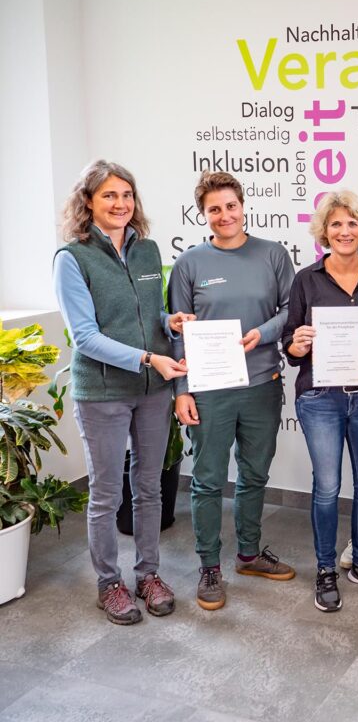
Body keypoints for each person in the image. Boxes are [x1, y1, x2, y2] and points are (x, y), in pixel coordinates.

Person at [53, 159, 192, 625]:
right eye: (109, 195)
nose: (120, 204)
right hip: (104, 392)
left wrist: (169, 324)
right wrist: (148, 358)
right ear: (88, 201)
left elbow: (149, 316)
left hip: (152, 390)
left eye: (127, 195)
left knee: (149, 486)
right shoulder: (72, 258)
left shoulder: (148, 251)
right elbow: (86, 337)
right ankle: (109, 584)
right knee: (107, 493)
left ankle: (148, 574)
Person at [168, 171, 296, 611]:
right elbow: (178, 334)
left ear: (243, 206)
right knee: (206, 481)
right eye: (214, 209)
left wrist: (262, 334)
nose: (224, 215)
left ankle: (248, 553)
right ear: (203, 215)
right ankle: (209, 567)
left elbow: (289, 311)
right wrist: (182, 391)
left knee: (254, 473)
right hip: (209, 389)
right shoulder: (189, 265)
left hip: (262, 383)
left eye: (230, 206)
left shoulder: (273, 255)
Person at [283, 190, 358, 612]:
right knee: (327, 487)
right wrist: (297, 343)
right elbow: (290, 345)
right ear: (324, 232)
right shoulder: (306, 279)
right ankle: (326, 568)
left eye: (352, 223)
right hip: (320, 398)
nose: (345, 231)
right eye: (336, 224)